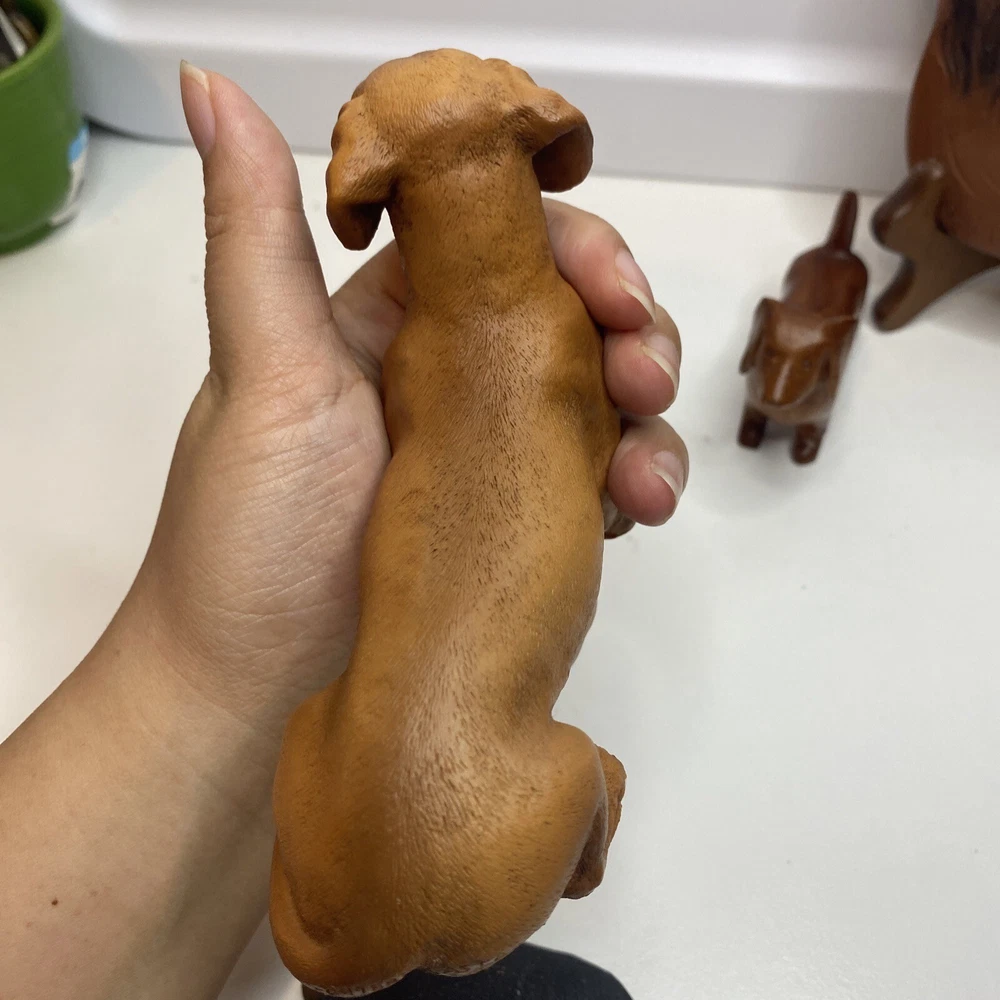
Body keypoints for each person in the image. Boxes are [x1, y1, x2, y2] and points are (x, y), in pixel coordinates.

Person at [0, 65, 688, 999]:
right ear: (541, 134)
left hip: (338, 831)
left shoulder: (406, 360)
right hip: (480, 857)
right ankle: (579, 822)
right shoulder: (560, 334)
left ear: (369, 182)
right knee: (574, 808)